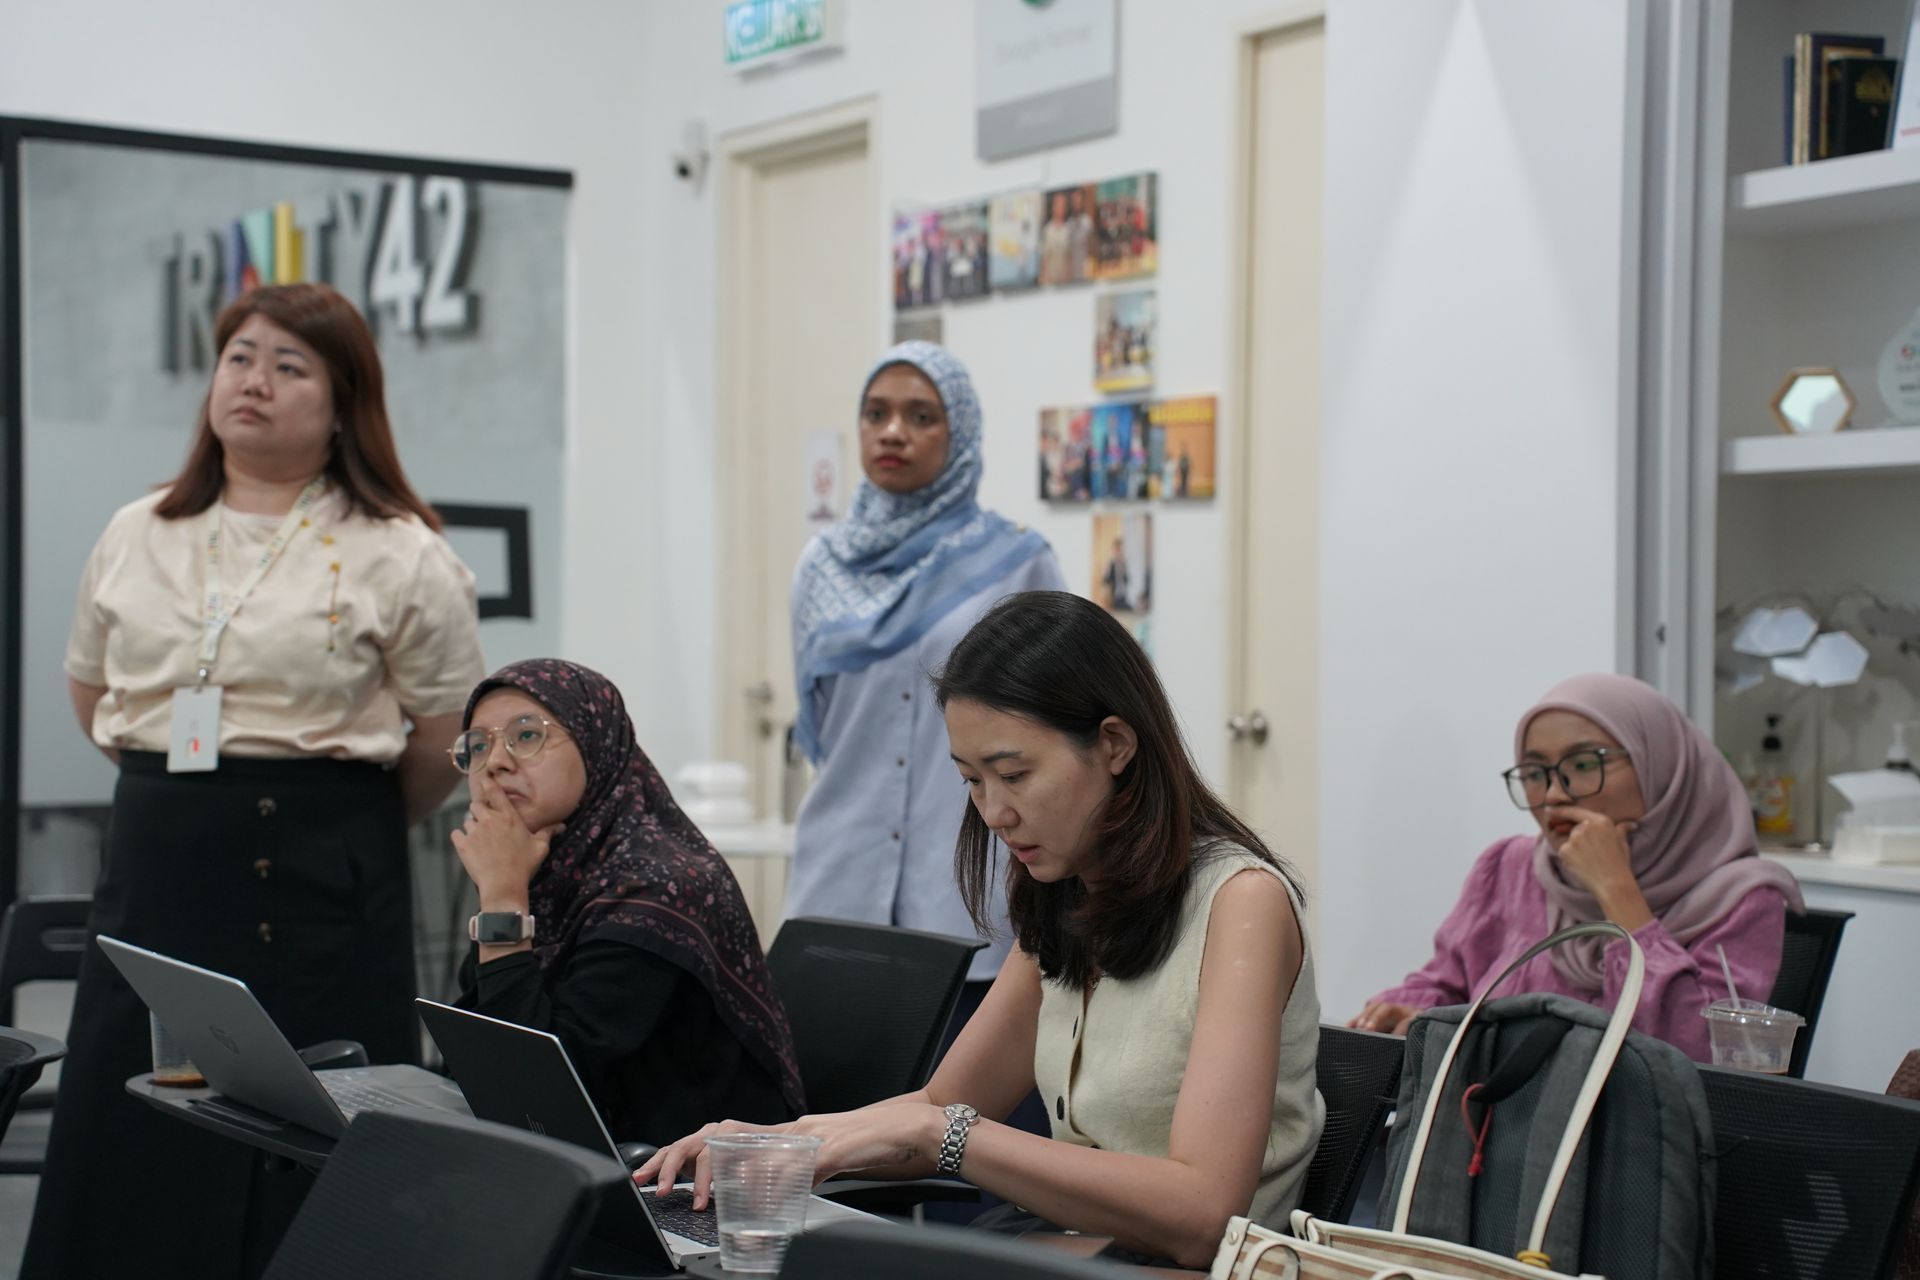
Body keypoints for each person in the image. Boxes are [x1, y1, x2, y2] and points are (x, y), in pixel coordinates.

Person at [640, 591, 1323, 1268]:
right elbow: (944, 1103)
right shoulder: (1066, 894)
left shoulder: (1241, 904)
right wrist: (775, 1146)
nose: (993, 812)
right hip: (1065, 1255)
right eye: (971, 781)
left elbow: (1205, 1214)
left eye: (1014, 774)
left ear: (1114, 744)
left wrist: (948, 1135)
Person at [27, 282, 486, 1280]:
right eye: (241, 356)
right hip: (161, 855)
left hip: (324, 869)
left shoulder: (402, 551)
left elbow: (439, 737)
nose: (256, 381)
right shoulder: (138, 527)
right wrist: (196, 798)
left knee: (305, 1132)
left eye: (290, 365)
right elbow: (91, 691)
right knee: (133, 1117)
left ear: (342, 399)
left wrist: (335, 820)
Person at [785, 341, 1064, 1045]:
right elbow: (821, 723)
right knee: (834, 1123)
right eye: (875, 414)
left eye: (920, 416)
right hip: (838, 887)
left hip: (970, 886)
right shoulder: (820, 568)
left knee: (958, 1126)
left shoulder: (1017, 561)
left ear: (960, 432)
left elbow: (1056, 720)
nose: (892, 432)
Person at [1349, 673, 1805, 1063]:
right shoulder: (1510, 868)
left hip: (1634, 1154)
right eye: (1534, 773)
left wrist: (1617, 892)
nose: (1553, 796)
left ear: (1658, 764)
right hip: (1497, 1138)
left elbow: (1696, 1058)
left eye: (1584, 764)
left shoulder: (1742, 898)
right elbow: (1445, 987)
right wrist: (1405, 1013)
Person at [448, 659, 804, 1143]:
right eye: (478, 746)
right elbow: (483, 1052)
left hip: (688, 1185)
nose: (495, 762)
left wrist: (503, 903)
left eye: (526, 736)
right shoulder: (544, 868)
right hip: (584, 1154)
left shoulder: (657, 888)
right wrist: (504, 892)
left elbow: (541, 1090)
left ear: (598, 746)